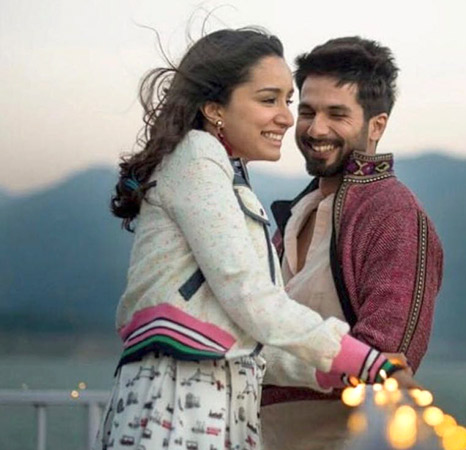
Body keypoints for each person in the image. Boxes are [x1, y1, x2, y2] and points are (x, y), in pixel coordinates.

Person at [93, 28, 413, 450]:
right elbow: (251, 296)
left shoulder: (228, 178)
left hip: (216, 403)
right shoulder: (197, 158)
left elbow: (246, 332)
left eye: (287, 101)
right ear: (215, 108)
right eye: (268, 100)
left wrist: (331, 370)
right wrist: (368, 362)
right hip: (178, 406)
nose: (287, 118)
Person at [260, 37, 444, 450]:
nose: (316, 129)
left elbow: (386, 357)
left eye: (337, 114)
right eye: (307, 112)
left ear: (376, 125)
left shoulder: (395, 216)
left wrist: (248, 354)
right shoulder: (297, 212)